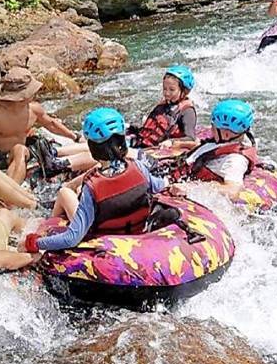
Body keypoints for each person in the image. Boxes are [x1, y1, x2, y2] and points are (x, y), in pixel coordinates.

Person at [18, 107, 172, 254]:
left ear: (92, 148)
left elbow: (72, 238)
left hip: (104, 241)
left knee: (65, 192)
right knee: (76, 191)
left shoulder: (93, 187)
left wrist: (36, 243)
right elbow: (160, 186)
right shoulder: (139, 167)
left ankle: (49, 223)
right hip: (137, 231)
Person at [37, 65, 200, 177]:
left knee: (107, 151)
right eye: (165, 89)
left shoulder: (187, 112)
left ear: (184, 90)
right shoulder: (164, 105)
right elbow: (149, 128)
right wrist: (131, 127)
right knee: (104, 138)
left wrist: (173, 143)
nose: (167, 93)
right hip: (141, 142)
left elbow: (191, 139)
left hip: (153, 152)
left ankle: (61, 165)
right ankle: (55, 153)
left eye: (172, 90)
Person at [163, 99, 258, 201]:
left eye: (213, 126)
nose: (211, 129)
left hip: (176, 185)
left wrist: (190, 188)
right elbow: (205, 147)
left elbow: (233, 191)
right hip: (170, 174)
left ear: (226, 134)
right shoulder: (224, 141)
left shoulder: (235, 160)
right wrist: (179, 144)